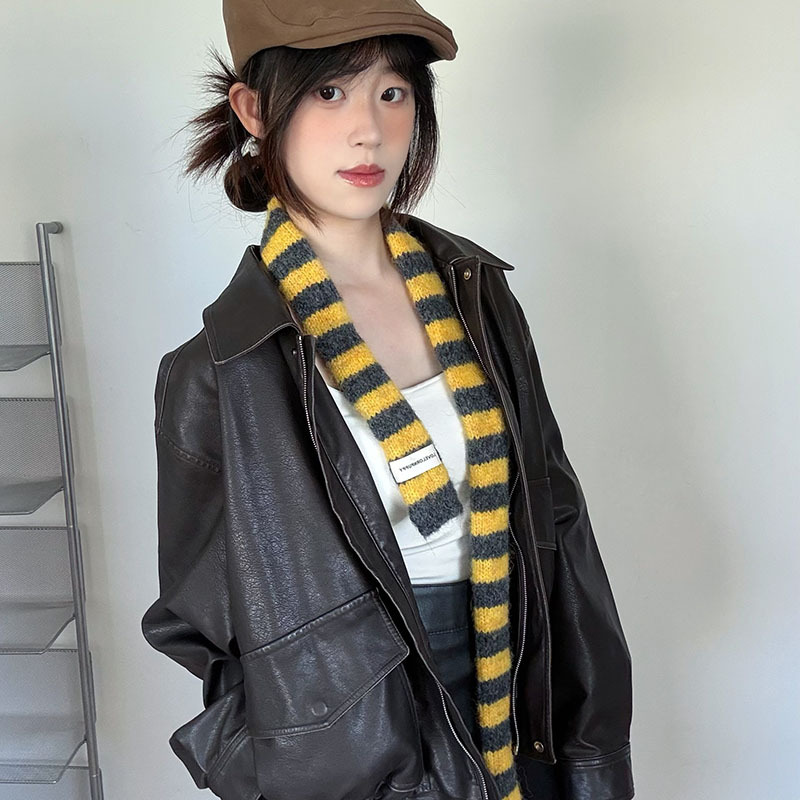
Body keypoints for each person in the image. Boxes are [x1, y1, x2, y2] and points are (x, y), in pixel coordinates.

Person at [140, 2, 635, 800]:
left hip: (518, 695)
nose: (368, 131)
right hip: (355, 743)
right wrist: (288, 760)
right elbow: (196, 626)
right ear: (255, 110)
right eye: (329, 92)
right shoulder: (220, 370)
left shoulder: (478, 297)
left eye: (392, 92)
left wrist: (591, 757)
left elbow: (560, 531)